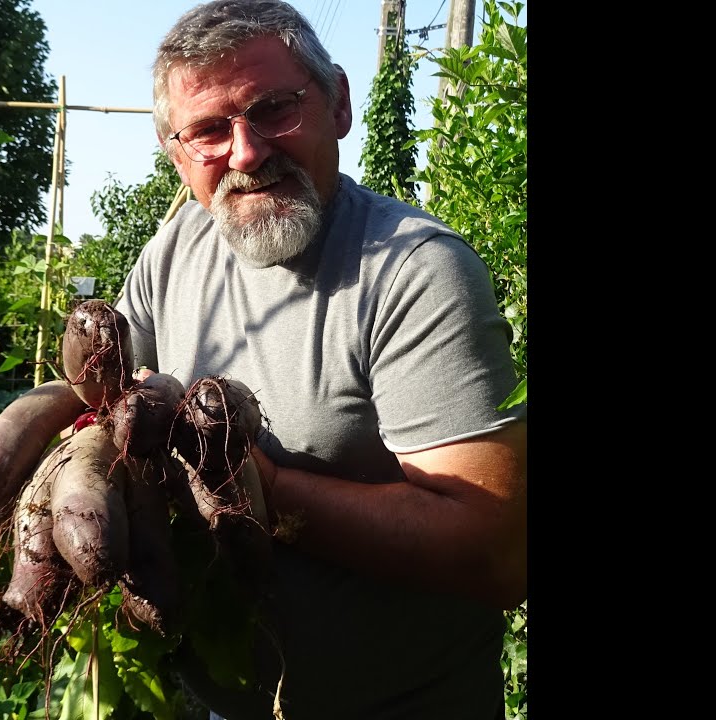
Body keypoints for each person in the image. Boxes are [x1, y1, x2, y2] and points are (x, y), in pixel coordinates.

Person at [111, 1, 528, 718]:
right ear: (177, 154)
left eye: (273, 110)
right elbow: (108, 395)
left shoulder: (414, 273)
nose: (245, 152)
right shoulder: (174, 251)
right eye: (209, 131)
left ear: (337, 104)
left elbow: (496, 553)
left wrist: (263, 489)